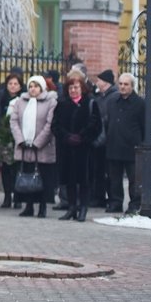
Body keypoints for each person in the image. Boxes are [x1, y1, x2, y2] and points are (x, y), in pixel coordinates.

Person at [53, 69, 100, 222]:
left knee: (84, 180)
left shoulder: (90, 103)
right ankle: (72, 207)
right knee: (70, 180)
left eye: (76, 87)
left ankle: (83, 208)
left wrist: (82, 137)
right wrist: (66, 136)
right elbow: (56, 125)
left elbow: (95, 125)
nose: (73, 90)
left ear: (82, 88)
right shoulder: (62, 104)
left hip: (84, 149)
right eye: (71, 87)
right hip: (66, 148)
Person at [9, 75, 58, 218]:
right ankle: (28, 206)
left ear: (42, 88)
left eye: (36, 86)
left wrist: (38, 142)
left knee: (42, 177)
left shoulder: (50, 102)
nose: (33, 89)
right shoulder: (20, 101)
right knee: (26, 176)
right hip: (24, 146)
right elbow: (14, 121)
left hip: (42, 148)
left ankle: (42, 206)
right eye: (30, 86)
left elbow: (49, 124)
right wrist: (20, 140)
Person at [104, 72, 147, 214]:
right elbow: (107, 121)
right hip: (114, 145)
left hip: (132, 147)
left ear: (132, 86)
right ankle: (115, 203)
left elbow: (144, 125)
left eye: (126, 84)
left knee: (134, 179)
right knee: (114, 179)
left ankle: (134, 204)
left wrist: (142, 144)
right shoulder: (112, 101)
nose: (122, 87)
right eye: (120, 84)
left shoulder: (140, 103)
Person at [89, 70, 118, 208]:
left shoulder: (112, 97)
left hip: (107, 139)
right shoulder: (100, 96)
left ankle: (111, 198)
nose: (97, 83)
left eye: (99, 80)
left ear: (106, 83)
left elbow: (107, 117)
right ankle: (98, 197)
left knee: (108, 172)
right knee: (98, 171)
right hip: (99, 138)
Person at [0, 73, 24, 208]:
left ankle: (17, 198)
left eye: (15, 84)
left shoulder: (23, 100)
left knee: (17, 169)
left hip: (18, 138)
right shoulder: (0, 98)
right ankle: (7, 197)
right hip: (4, 138)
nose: (12, 86)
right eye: (10, 84)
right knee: (5, 169)